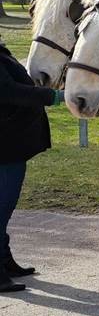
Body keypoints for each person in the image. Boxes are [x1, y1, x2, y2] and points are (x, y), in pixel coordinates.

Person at [0, 36, 62, 293]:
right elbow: (9, 92)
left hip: (11, 144)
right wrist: (53, 96)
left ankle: (4, 260)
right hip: (5, 147)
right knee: (2, 206)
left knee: (5, 205)